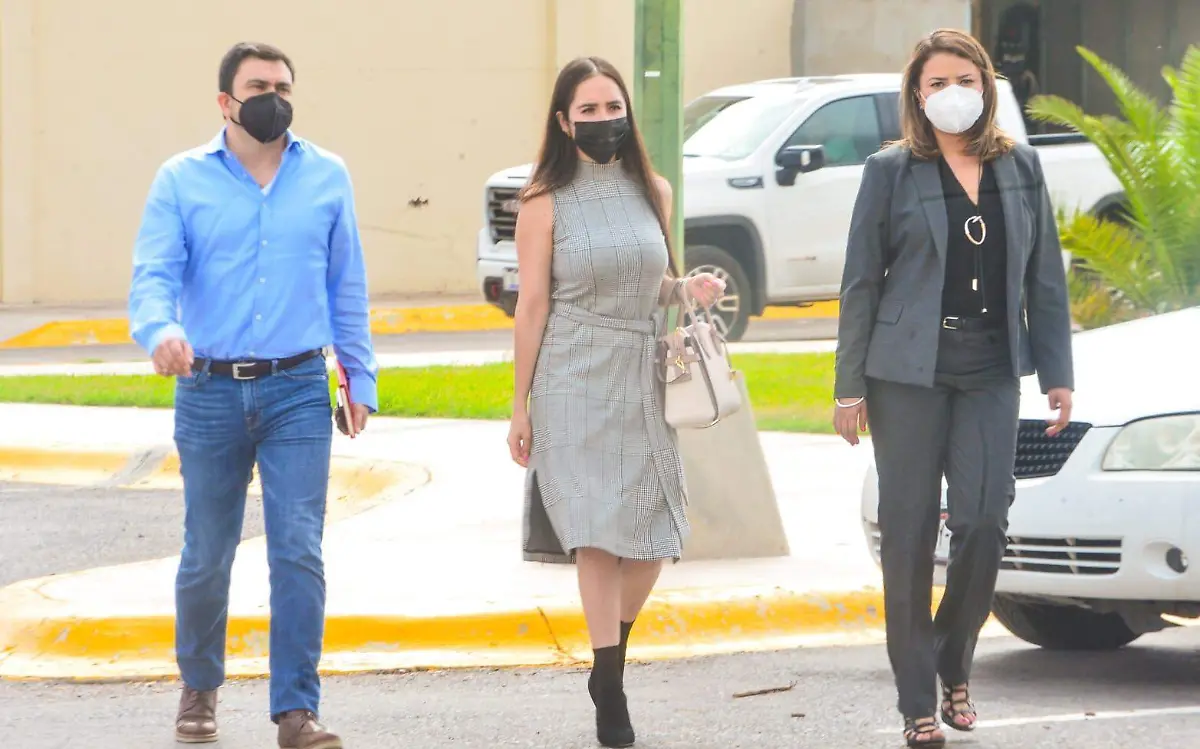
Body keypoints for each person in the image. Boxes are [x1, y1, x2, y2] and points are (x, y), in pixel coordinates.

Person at [128, 41, 377, 749]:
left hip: (298, 387)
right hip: (207, 388)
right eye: (259, 85)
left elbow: (347, 285)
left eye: (283, 86)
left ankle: (296, 710)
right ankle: (199, 686)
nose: (274, 97)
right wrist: (161, 331)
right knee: (207, 552)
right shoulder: (181, 179)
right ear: (225, 102)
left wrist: (359, 377)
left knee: (298, 548)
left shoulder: (326, 175)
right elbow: (153, 275)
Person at [832, 29, 1074, 748]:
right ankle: (918, 701)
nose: (951, 92)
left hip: (991, 370)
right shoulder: (890, 171)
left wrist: (1057, 373)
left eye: (964, 79)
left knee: (983, 523)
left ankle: (951, 657)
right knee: (908, 534)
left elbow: (1044, 276)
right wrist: (849, 387)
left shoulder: (1020, 166)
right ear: (917, 93)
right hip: (905, 374)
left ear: (986, 86)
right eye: (937, 82)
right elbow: (860, 282)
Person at [506, 56, 724, 748]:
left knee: (655, 532)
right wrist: (520, 404)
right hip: (570, 374)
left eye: (612, 107)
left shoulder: (653, 189)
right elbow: (532, 305)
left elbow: (649, 279)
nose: (603, 120)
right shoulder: (542, 201)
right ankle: (610, 684)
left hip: (640, 369)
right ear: (564, 121)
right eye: (588, 110)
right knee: (596, 531)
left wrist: (686, 289)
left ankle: (611, 654)